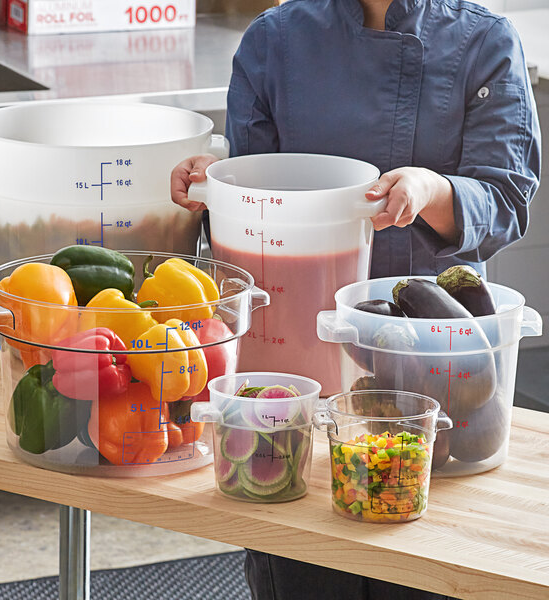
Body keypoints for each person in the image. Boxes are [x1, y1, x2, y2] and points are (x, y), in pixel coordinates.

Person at [171, 0, 541, 598]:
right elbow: (256, 193)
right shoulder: (275, 39)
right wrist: (218, 183)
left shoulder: (484, 40)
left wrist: (433, 188)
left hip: (437, 365)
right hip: (297, 353)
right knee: (301, 560)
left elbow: (506, 197)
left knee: (424, 560)